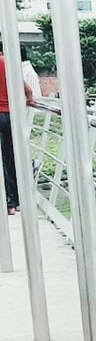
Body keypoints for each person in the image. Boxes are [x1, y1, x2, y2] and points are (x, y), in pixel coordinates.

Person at [0, 42, 36, 215]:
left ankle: (8, 202)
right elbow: (29, 92)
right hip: (11, 115)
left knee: (3, 162)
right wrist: (26, 103)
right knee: (12, 157)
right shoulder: (9, 63)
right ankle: (17, 201)